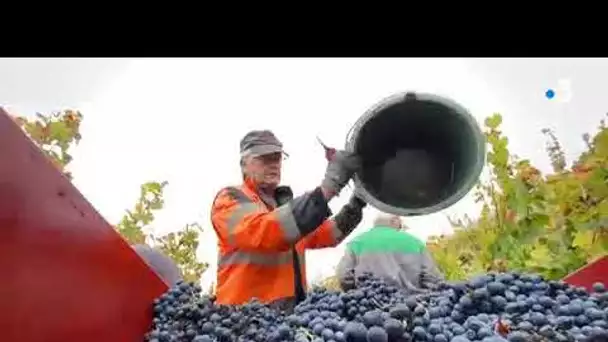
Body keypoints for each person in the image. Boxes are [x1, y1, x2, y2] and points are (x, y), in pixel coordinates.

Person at [210, 130, 366, 311]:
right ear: (244, 164)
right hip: (242, 319)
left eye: (277, 158)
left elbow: (325, 235)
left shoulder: (282, 208)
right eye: (264, 158)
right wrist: (329, 186)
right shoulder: (230, 199)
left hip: (285, 317)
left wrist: (357, 204)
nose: (274, 164)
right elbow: (265, 231)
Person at [336, 212, 443, 293]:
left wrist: (359, 293)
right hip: (412, 307)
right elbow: (432, 278)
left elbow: (344, 275)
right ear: (394, 221)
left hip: (370, 306)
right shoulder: (415, 242)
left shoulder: (357, 242)